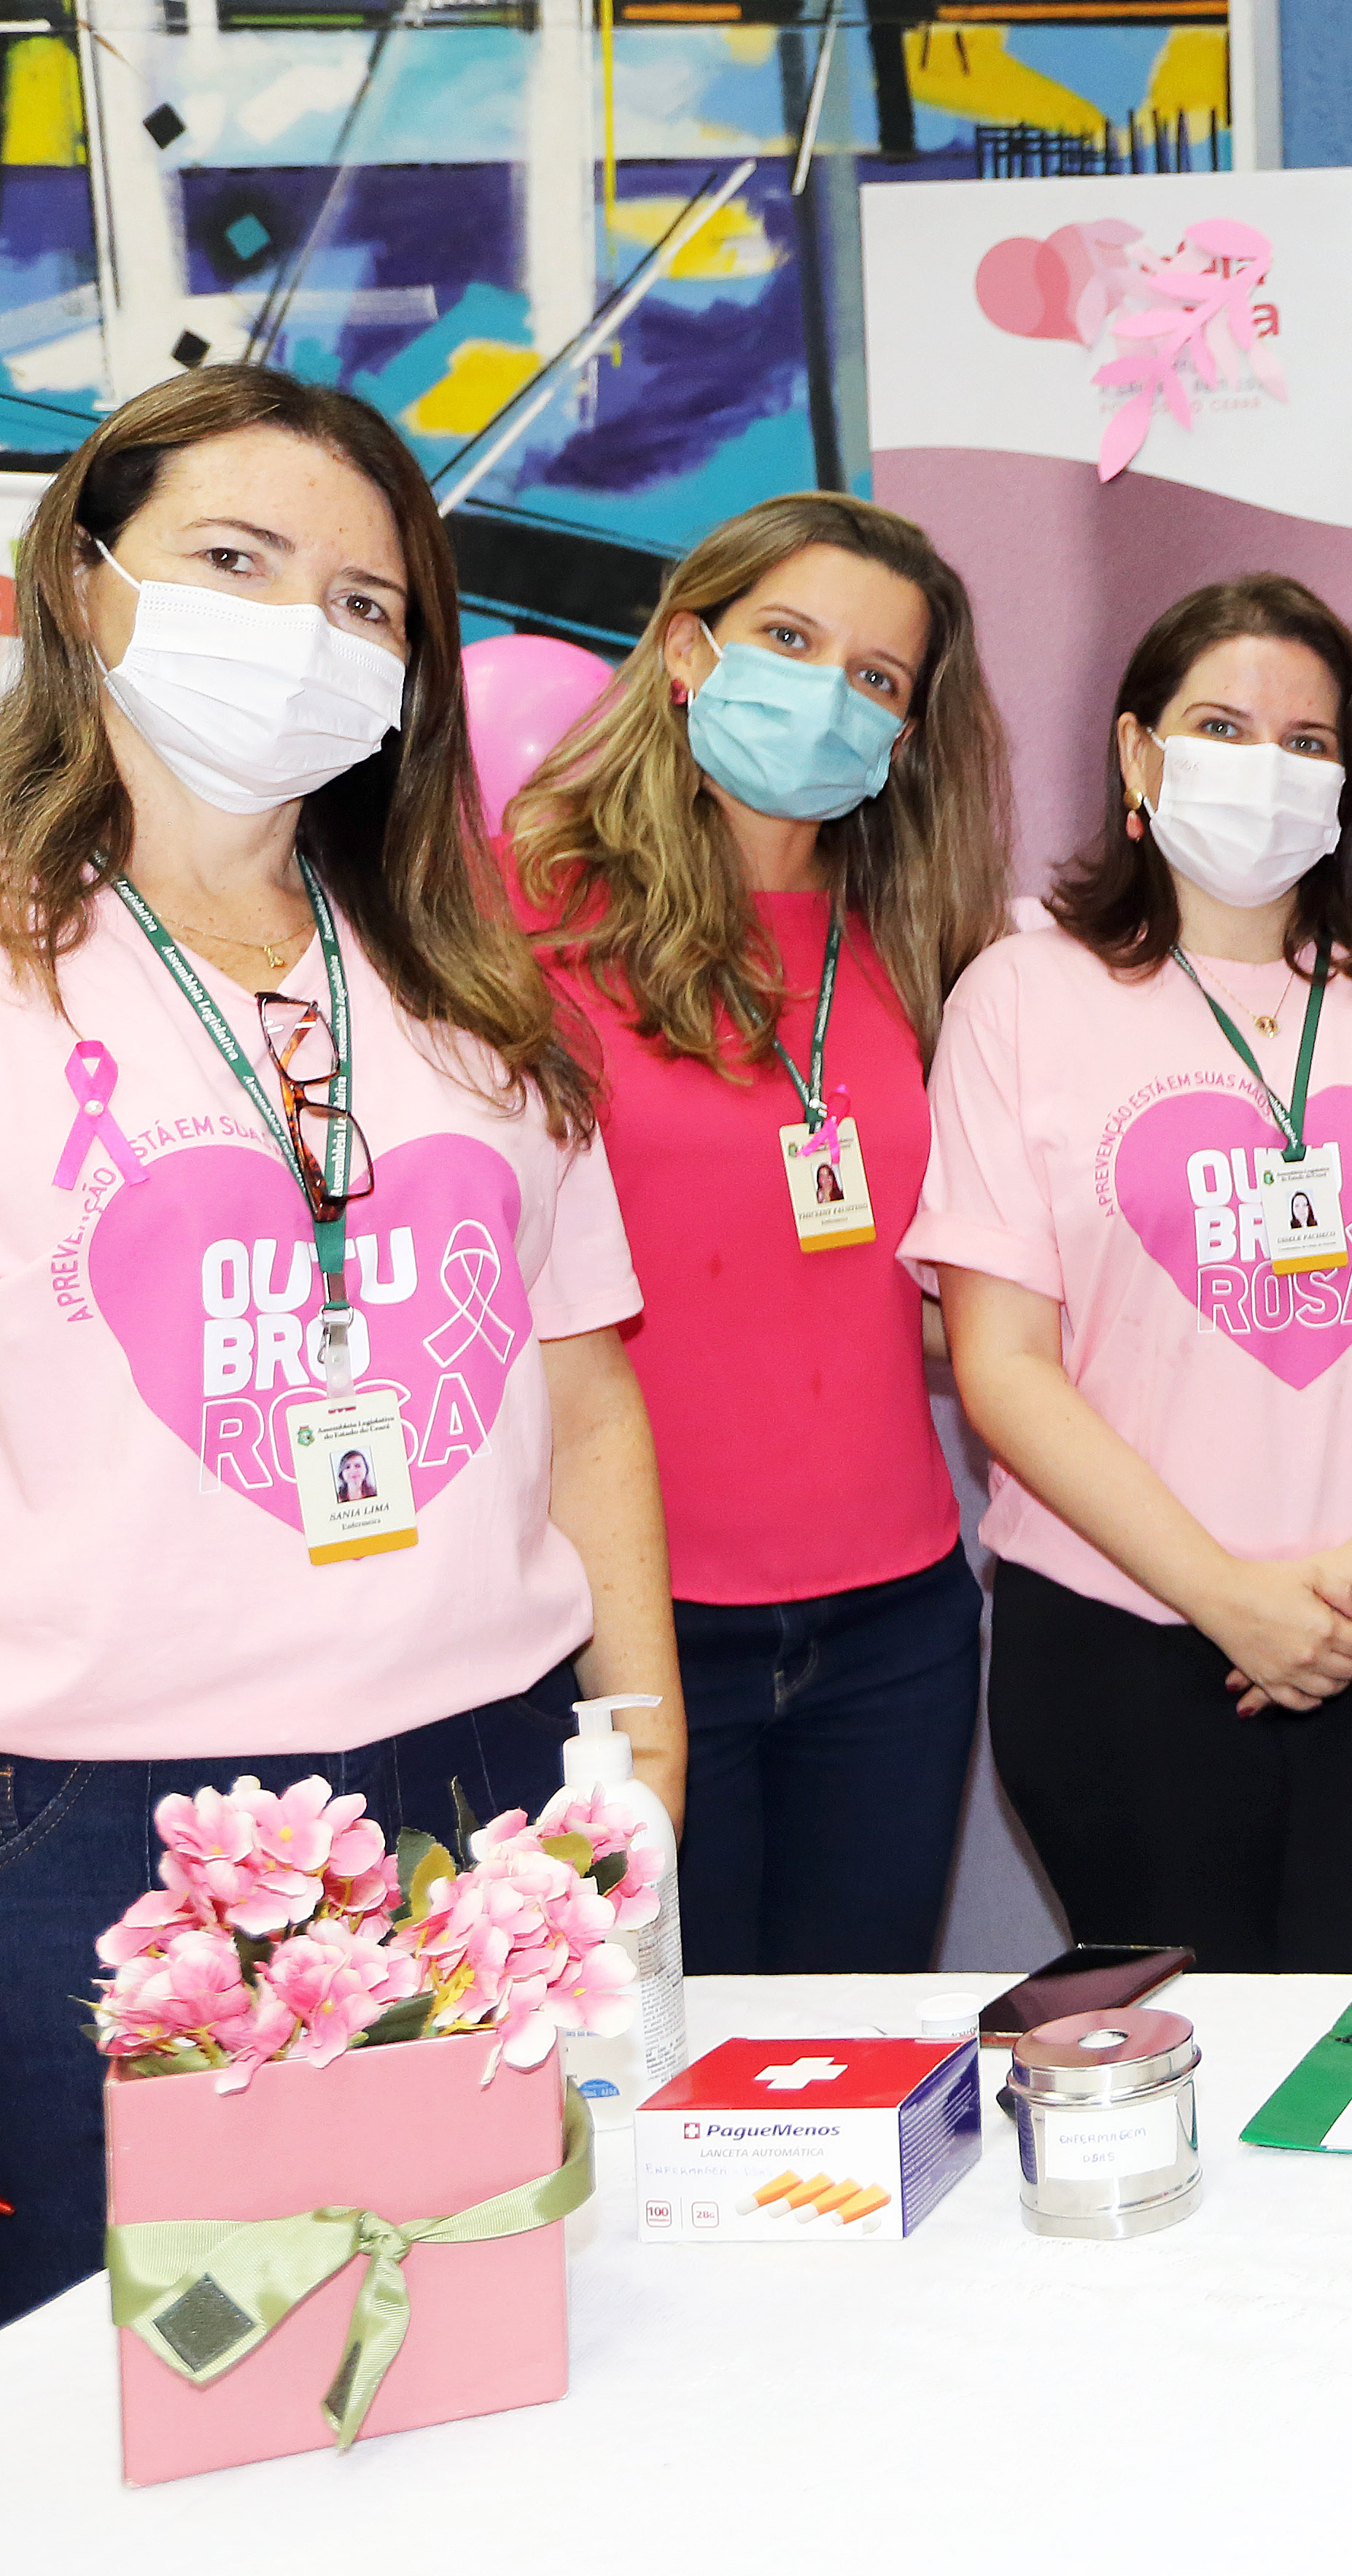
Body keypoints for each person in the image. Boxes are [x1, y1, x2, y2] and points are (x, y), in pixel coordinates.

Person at [0, 366, 675, 2324]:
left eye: (365, 602)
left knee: (481, 2338)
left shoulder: (469, 996)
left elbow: (582, 1383)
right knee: (149, 2378)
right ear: (82, 580)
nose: (303, 630)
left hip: (489, 1782)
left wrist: (639, 1740)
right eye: (236, 560)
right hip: (108, 1814)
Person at [909, 573, 1352, 1971]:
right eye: (1221, 727)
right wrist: (1223, 1594)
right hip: (1120, 1637)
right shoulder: (1018, 997)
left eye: (1307, 742)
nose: (1267, 767)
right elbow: (1001, 1361)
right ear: (1138, 755)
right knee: (1175, 2047)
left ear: (1350, 782)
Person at [508, 495, 1005, 1973]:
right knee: (653, 2072)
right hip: (625, 1630)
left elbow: (944, 1282)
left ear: (904, 734)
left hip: (897, 1627)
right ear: (686, 651)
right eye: (788, 639)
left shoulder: (931, 945)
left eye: (876, 676)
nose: (826, 692)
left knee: (859, 2069)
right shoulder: (521, 920)